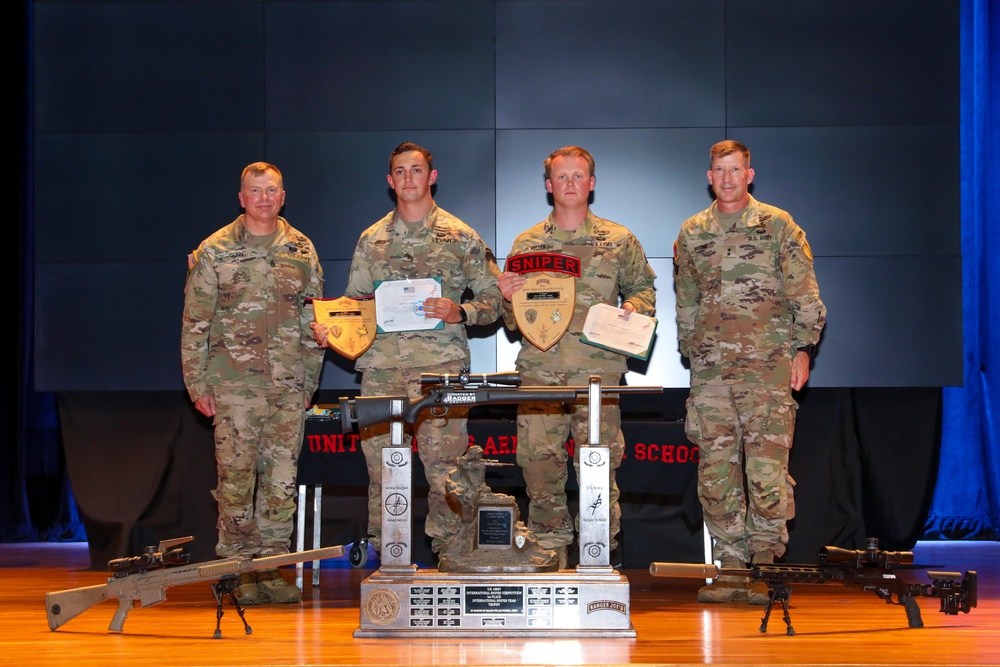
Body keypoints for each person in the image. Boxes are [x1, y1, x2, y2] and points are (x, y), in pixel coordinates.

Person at [312, 142, 502, 558]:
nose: (408, 179)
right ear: (390, 180)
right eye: (400, 171)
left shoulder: (462, 236)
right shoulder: (372, 239)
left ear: (431, 177)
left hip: (441, 373)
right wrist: (331, 329)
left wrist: (461, 311)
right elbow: (354, 305)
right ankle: (386, 557)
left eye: (416, 170)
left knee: (446, 471)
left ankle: (453, 552)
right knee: (383, 470)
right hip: (382, 372)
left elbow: (495, 300)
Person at [673, 139, 826, 604]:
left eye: (735, 170)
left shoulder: (778, 225)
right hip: (713, 376)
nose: (727, 178)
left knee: (766, 473)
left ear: (750, 174)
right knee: (716, 474)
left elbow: (805, 295)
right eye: (719, 170)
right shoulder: (692, 232)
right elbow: (687, 301)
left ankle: (763, 567)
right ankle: (731, 569)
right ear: (709, 176)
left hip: (769, 372)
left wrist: (803, 350)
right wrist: (692, 352)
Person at [498, 146, 657, 568]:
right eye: (561, 177)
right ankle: (549, 549)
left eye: (578, 176)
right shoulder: (526, 243)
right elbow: (511, 320)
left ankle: (598, 549)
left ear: (591, 183)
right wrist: (506, 298)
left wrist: (636, 307)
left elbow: (644, 288)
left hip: (597, 375)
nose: (570, 184)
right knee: (538, 466)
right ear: (549, 186)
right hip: (540, 372)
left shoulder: (619, 240)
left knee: (598, 465)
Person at [181, 162, 325, 604]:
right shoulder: (215, 250)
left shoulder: (302, 249)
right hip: (232, 387)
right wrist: (197, 384)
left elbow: (313, 321)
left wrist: (308, 385)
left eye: (272, 190)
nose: (264, 198)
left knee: (282, 483)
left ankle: (272, 569)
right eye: (255, 191)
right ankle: (238, 571)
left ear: (283, 197)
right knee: (237, 481)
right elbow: (195, 323)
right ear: (241, 198)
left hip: (287, 387)